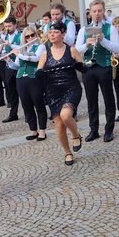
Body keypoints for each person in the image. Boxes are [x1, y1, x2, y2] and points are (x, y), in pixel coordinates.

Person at [37, 22, 84, 166]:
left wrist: (83, 67)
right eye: (50, 33)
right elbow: (39, 70)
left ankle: (76, 135)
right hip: (53, 92)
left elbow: (82, 67)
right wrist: (39, 73)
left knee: (66, 115)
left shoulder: (72, 50)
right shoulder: (45, 53)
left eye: (55, 32)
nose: (52, 35)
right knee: (59, 125)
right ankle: (67, 152)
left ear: (62, 34)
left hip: (71, 88)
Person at [75, 0, 119, 143]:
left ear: (103, 11)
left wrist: (103, 41)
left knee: (108, 99)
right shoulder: (84, 29)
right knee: (91, 100)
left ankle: (109, 130)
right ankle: (93, 130)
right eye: (94, 11)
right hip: (88, 68)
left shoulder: (110, 28)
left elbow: (117, 49)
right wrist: (86, 44)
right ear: (90, 13)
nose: (97, 14)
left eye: (99, 11)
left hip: (104, 66)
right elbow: (76, 50)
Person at [8, 26, 48, 141]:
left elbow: (35, 59)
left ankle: (42, 131)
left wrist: (18, 54)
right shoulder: (22, 49)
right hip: (21, 79)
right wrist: (9, 60)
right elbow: (16, 66)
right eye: (27, 36)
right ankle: (33, 130)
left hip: (34, 78)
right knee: (26, 105)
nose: (30, 38)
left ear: (35, 35)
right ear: (24, 38)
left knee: (38, 104)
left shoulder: (40, 46)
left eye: (32, 35)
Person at [0, 16, 21, 122]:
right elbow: (3, 53)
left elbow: (21, 48)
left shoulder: (21, 36)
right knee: (11, 91)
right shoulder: (5, 37)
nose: (7, 28)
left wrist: (10, 44)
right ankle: (13, 114)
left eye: (9, 26)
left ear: (15, 25)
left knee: (22, 91)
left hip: (19, 66)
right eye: (6, 26)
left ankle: (29, 112)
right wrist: (0, 50)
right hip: (8, 66)